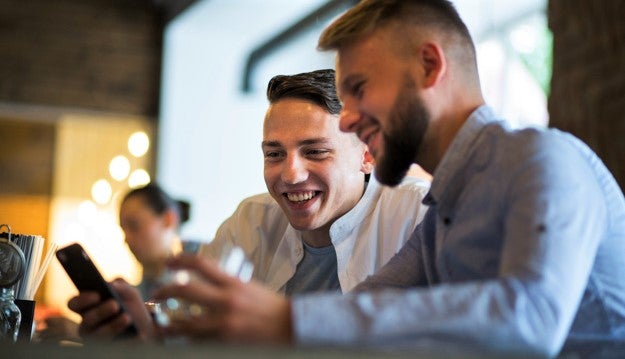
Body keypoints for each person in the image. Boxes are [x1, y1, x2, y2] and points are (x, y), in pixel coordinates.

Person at [69, 1, 625, 356]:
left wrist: (286, 320)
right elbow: (361, 309)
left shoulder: (544, 160)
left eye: (360, 87)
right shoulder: (449, 205)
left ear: (429, 67)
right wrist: (159, 334)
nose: (352, 116)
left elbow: (528, 322)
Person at [201, 69, 430, 294]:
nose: (291, 176)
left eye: (315, 152)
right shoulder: (251, 221)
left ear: (368, 155)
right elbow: (193, 313)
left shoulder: (418, 215)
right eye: (274, 154)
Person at [119, 183, 197, 299]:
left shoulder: (208, 265)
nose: (126, 239)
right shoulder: (138, 295)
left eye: (134, 225)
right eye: (123, 230)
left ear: (168, 220)